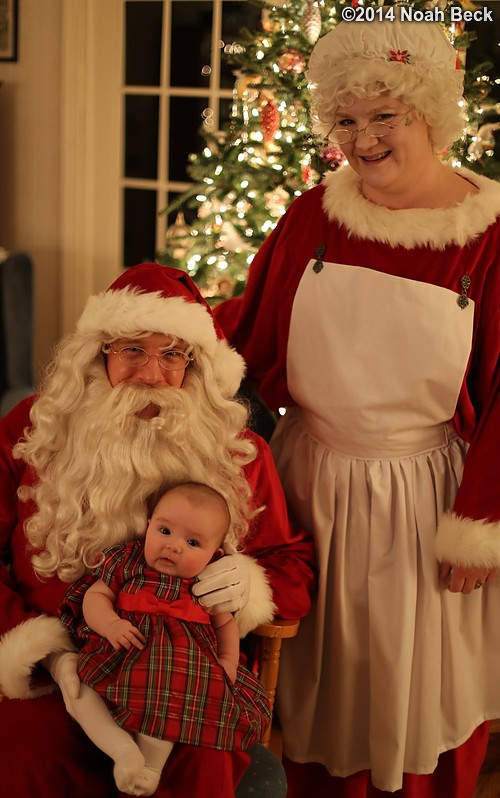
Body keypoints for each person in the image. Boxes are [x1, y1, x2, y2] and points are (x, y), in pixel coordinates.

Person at [214, 16, 500, 798]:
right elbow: (248, 329)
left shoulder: (490, 235)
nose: (362, 139)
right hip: (306, 493)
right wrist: (158, 336)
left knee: (418, 697)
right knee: (313, 694)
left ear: (430, 115)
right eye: (346, 118)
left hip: (425, 502)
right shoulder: (315, 215)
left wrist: (481, 521)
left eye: (385, 116)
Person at [0, 262, 315, 798]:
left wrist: (250, 586)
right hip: (61, 672)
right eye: (132, 349)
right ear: (98, 353)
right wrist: (42, 649)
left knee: (200, 767)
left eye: (172, 354)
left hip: (190, 673)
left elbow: (291, 564)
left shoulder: (236, 450)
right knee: (32, 759)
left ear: (194, 365)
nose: (151, 374)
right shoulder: (34, 430)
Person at [58, 481, 271, 796]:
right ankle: (121, 750)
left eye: (193, 542)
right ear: (147, 527)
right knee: (78, 689)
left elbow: (225, 624)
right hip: (121, 650)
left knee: (174, 708)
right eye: (165, 531)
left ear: (217, 554)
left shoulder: (208, 581)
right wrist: (111, 625)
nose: (174, 546)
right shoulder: (128, 561)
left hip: (176, 670)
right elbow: (96, 596)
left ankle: (151, 767)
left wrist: (227, 661)